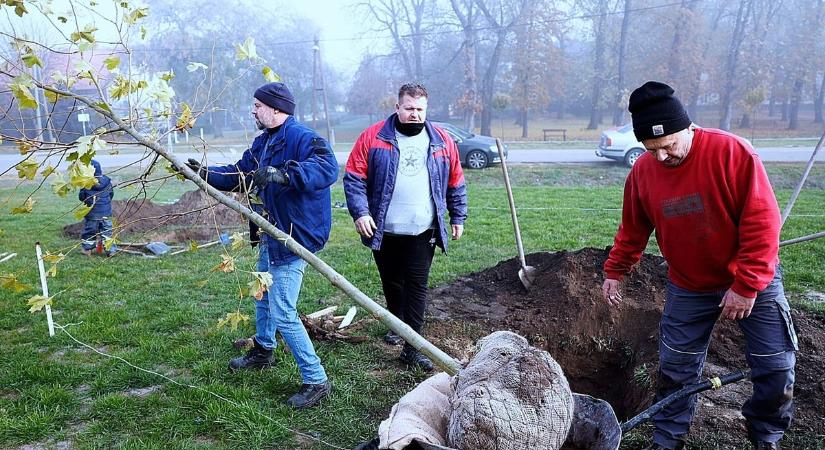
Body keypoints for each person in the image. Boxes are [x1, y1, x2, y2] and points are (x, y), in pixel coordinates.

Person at [602, 81, 797, 450]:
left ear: (688, 128)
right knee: (675, 368)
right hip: (689, 284)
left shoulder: (733, 153)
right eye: (650, 149)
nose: (660, 157)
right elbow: (633, 227)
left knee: (776, 366)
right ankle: (667, 439)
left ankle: (765, 434)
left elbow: (762, 223)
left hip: (751, 278)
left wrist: (746, 285)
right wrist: (616, 270)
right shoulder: (644, 171)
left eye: (668, 146)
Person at [182, 82, 338, 408]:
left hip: (293, 236)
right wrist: (202, 173)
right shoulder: (263, 142)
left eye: (257, 105)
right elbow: (239, 174)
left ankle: (316, 379)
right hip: (269, 231)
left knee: (283, 310)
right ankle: (263, 350)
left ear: (276, 109)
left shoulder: (302, 138)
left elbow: (327, 167)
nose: (253, 110)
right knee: (262, 296)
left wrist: (284, 175)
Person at [343, 83, 468, 372]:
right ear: (397, 107)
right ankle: (397, 324)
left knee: (417, 286)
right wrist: (360, 213)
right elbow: (353, 178)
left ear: (426, 109)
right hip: (382, 229)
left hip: (422, 230)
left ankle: (413, 348)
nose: (414, 114)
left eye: (420, 109)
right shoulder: (372, 137)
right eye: (409, 108)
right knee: (392, 282)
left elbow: (456, 181)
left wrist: (458, 216)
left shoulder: (441, 141)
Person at [79, 159, 117, 256]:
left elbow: (82, 197)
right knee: (107, 233)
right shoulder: (107, 182)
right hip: (106, 213)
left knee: (89, 232)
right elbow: (111, 194)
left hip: (92, 214)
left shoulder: (86, 183)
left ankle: (87, 250)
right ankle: (110, 250)